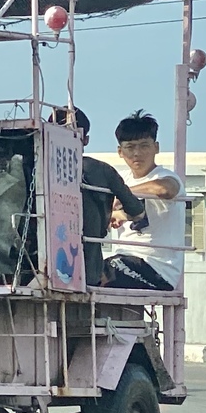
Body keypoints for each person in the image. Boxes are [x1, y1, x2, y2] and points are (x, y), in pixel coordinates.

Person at [50, 107, 145, 287]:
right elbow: (138, 211)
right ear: (85, 139)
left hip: (36, 269)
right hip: (88, 272)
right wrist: (118, 213)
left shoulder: (35, 168)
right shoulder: (103, 170)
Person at [101, 110, 185, 291]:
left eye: (144, 146)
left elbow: (165, 189)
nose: (137, 153)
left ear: (156, 147)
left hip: (157, 268)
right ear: (120, 151)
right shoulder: (118, 179)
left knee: (96, 275)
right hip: (123, 258)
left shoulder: (166, 176)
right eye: (130, 147)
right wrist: (114, 214)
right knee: (81, 270)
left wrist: (124, 193)